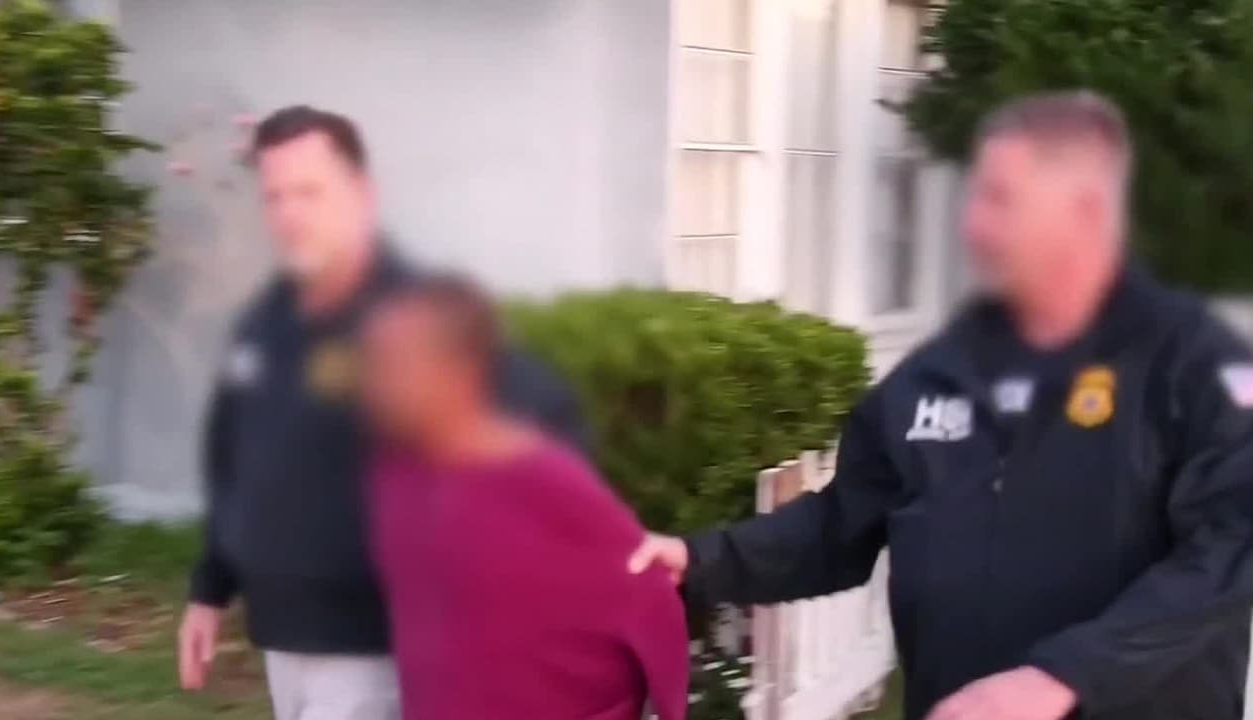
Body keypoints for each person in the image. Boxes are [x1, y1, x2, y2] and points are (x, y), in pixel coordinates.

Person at [629, 90, 1253, 720]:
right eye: (976, 198)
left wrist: (1065, 676)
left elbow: (1231, 550)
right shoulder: (939, 372)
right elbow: (838, 527)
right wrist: (699, 560)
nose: (973, 225)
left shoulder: (1191, 365)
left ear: (1086, 211)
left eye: (1002, 201)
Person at [177, 106, 587, 720]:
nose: (290, 214)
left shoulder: (420, 319)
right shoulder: (266, 321)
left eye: (310, 193)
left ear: (362, 195)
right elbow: (234, 462)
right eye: (275, 197)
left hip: (376, 653)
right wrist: (210, 591)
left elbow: (548, 447)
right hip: (284, 638)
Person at [359, 275, 689, 720]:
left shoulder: (546, 482)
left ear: (462, 370)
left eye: (397, 364)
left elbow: (648, 591)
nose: (375, 383)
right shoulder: (395, 478)